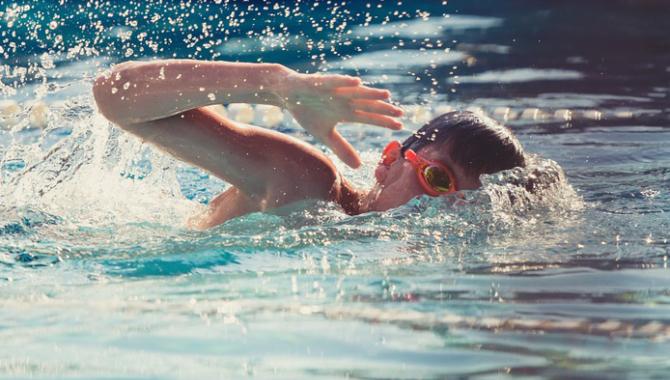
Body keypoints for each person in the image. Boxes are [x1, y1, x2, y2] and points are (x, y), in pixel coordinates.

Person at [93, 60, 526, 229]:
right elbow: (114, 96)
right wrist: (274, 85)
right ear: (389, 160)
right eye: (437, 179)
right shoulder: (307, 183)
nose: (438, 212)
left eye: (465, 205)